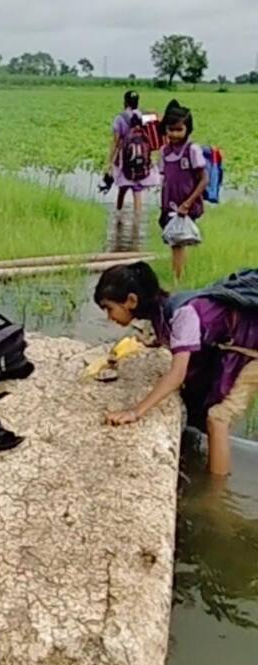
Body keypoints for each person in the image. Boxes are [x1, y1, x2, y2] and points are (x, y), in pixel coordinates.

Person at [94, 262, 258, 477]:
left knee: (218, 418)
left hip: (252, 351)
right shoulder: (164, 310)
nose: (109, 317)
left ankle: (216, 496)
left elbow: (177, 373)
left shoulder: (183, 314)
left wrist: (135, 411)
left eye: (109, 308)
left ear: (131, 301)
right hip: (239, 346)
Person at [158, 99, 209, 281]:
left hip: (186, 202)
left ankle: (177, 279)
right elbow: (165, 177)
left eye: (179, 129)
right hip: (170, 202)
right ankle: (177, 276)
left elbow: (204, 179)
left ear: (188, 129)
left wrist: (188, 203)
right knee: (175, 242)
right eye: (171, 129)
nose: (174, 134)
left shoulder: (192, 150)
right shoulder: (164, 151)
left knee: (178, 243)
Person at [104, 90, 160, 215]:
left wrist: (109, 162)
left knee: (122, 190)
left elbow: (116, 142)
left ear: (125, 102)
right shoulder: (144, 116)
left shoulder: (120, 118)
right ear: (137, 102)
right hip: (142, 159)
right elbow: (157, 118)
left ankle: (118, 218)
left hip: (124, 160)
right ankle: (137, 224)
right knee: (137, 191)